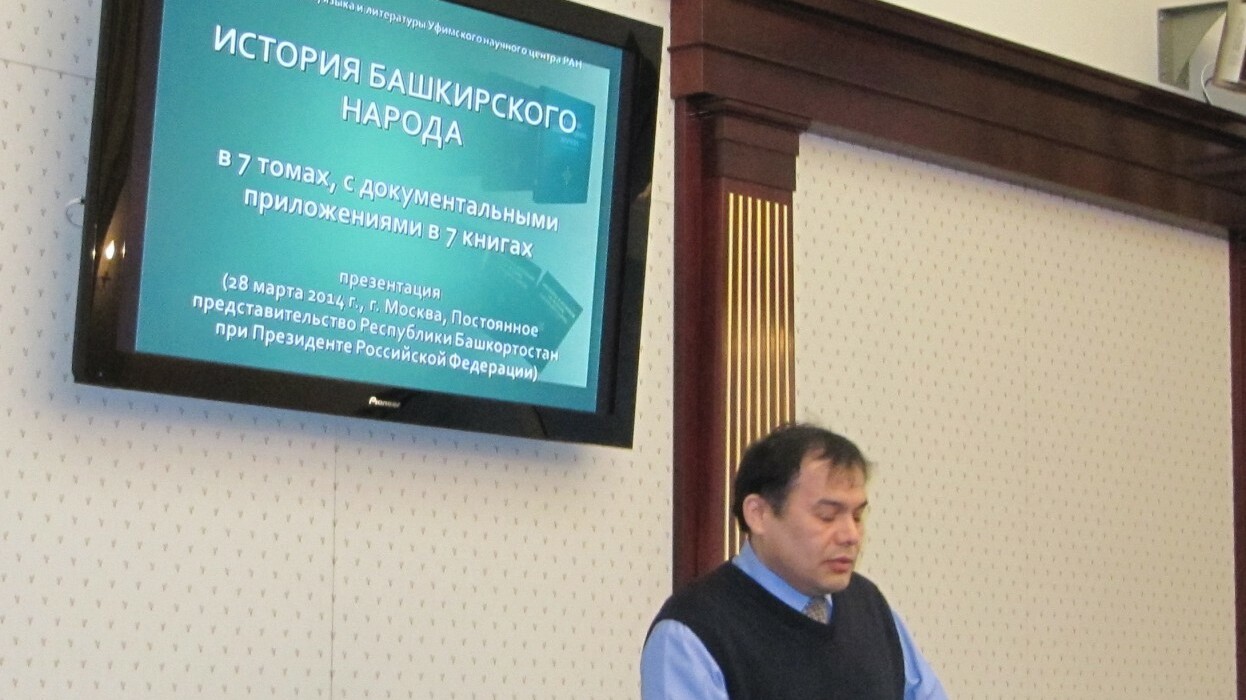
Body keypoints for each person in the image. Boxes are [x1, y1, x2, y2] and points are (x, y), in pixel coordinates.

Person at [641, 423, 947, 699]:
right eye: (827, 516)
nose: (851, 535)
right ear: (758, 514)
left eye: (857, 516)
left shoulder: (870, 607)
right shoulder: (692, 633)